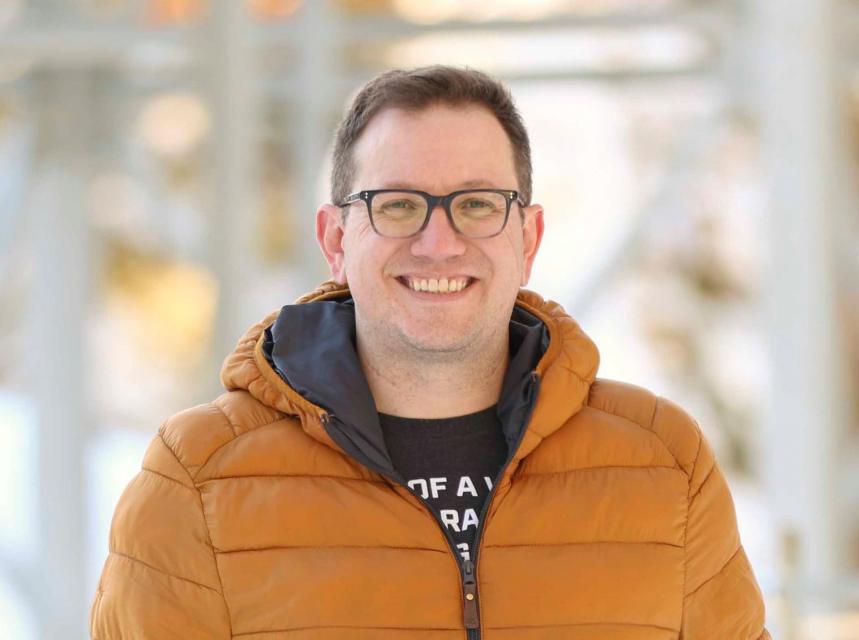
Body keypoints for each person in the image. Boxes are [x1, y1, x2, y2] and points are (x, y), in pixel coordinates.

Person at [90, 65, 770, 640]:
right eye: (397, 205)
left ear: (527, 238)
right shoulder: (199, 478)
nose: (438, 243)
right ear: (335, 238)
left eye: (475, 205)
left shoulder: (662, 464)